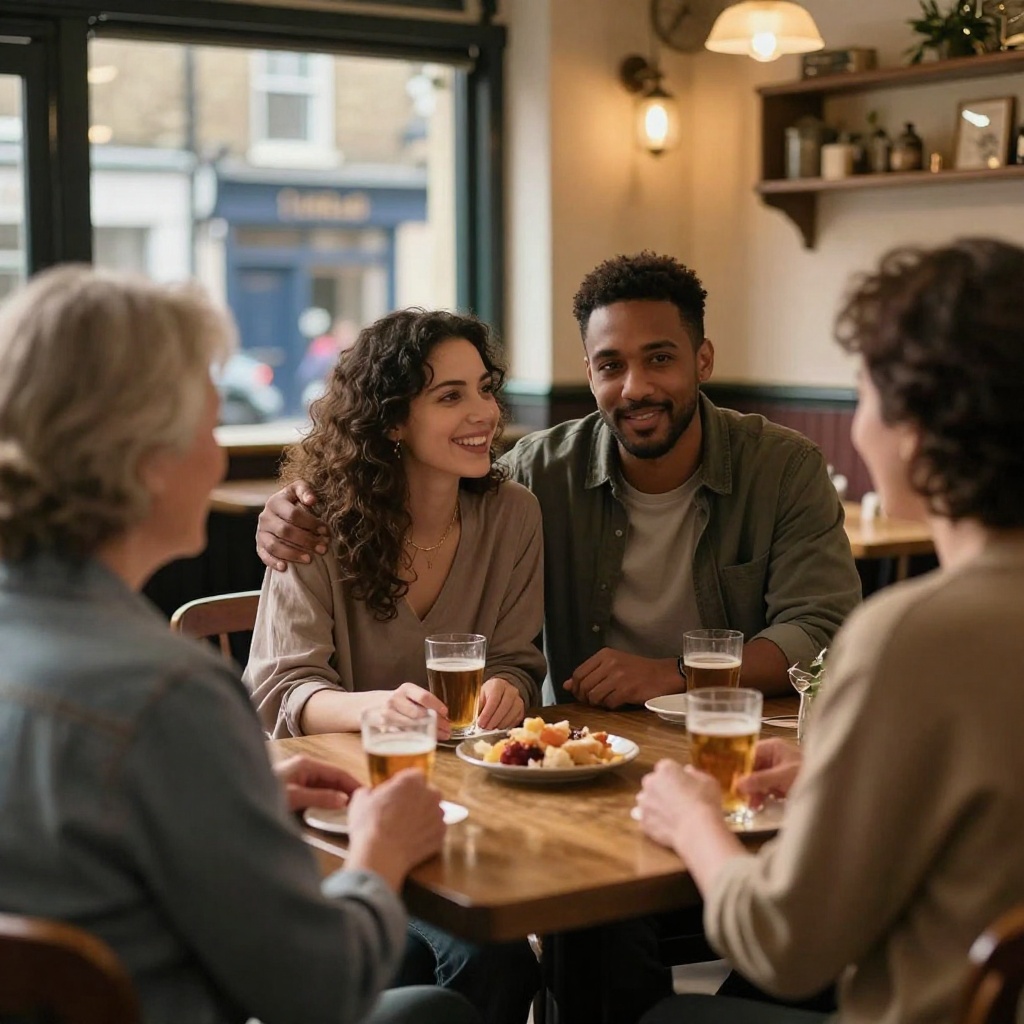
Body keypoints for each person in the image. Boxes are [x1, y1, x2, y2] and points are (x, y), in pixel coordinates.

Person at [0, 266, 478, 1024]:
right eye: (206, 423)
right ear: (144, 454)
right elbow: (319, 988)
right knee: (441, 1011)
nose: (218, 455)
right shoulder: (170, 694)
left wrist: (229, 798)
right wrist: (380, 852)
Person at [635, 238, 1024, 1024]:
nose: (860, 423)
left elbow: (782, 943)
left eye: (865, 393)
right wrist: (835, 779)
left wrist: (695, 822)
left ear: (915, 425)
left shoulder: (911, 637)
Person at [255, 252, 861, 708]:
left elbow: (824, 633)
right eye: (611, 365)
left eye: (660, 358)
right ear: (589, 373)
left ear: (702, 360)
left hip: (738, 729)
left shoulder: (783, 467)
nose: (636, 387)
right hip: (597, 739)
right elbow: (422, 481)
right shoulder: (535, 476)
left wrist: (677, 672)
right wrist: (289, 509)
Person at [244, 307, 544, 1023]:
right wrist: (372, 708)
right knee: (489, 954)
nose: (482, 413)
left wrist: (507, 686)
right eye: (449, 396)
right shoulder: (314, 522)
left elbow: (517, 662)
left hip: (471, 815)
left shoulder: (513, 516)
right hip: (341, 825)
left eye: (484, 388)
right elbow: (279, 690)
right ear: (390, 422)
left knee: (493, 946)